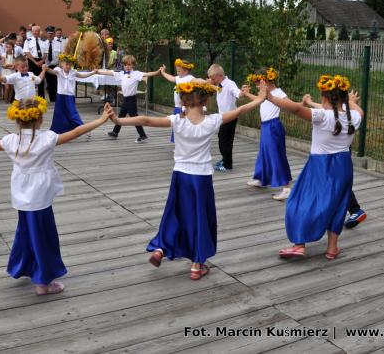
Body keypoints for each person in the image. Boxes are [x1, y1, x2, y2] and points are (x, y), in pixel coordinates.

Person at [0, 97, 115, 294]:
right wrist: (103, 119)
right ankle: (44, 282)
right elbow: (77, 131)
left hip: (22, 195)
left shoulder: (11, 140)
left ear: (18, 120)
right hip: (41, 196)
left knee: (27, 232)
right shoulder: (47, 138)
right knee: (43, 236)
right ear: (39, 120)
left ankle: (25, 266)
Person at [109, 81, 267, 279]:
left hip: (181, 175)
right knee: (201, 218)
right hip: (201, 178)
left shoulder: (177, 121)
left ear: (183, 101)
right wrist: (260, 99)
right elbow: (239, 110)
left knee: (174, 213)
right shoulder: (212, 121)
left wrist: (118, 121)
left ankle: (160, 248)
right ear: (205, 101)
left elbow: (146, 120)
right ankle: (196, 265)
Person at [267, 75, 364, 260]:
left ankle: (299, 244)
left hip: (320, 166)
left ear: (325, 97)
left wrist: (270, 98)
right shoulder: (354, 117)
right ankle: (332, 248)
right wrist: (350, 101)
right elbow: (355, 110)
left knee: (299, 200)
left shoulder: (322, 117)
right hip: (343, 166)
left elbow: (296, 109)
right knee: (338, 205)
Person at [302, 93, 367, 229]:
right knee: (338, 182)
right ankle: (354, 210)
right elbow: (325, 108)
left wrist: (351, 102)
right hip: (340, 152)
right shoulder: (342, 107)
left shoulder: (344, 107)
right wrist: (310, 102)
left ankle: (353, 210)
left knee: (335, 183)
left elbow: (328, 110)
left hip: (335, 153)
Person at [241, 68, 292, 200]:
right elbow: (260, 100)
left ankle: (286, 187)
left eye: (258, 82)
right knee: (263, 154)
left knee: (276, 156)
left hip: (273, 126)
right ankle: (261, 179)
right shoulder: (266, 94)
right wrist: (247, 94)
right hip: (265, 126)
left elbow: (290, 104)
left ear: (266, 81)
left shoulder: (278, 93)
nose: (257, 85)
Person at [97, 56, 163, 143]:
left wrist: (158, 72)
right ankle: (115, 132)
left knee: (134, 117)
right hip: (125, 99)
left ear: (133, 65)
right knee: (121, 116)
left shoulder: (136, 74)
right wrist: (97, 71)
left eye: (129, 65)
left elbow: (148, 74)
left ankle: (142, 135)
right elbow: (110, 72)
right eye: (125, 65)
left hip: (131, 99)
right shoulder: (121, 73)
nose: (127, 66)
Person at [46, 54, 97, 134]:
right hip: (61, 95)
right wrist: (46, 68)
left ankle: (82, 128)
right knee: (59, 113)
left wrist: (93, 72)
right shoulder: (59, 71)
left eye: (70, 65)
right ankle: (58, 130)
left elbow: (83, 76)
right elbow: (51, 71)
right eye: (66, 64)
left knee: (72, 112)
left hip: (69, 96)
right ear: (62, 64)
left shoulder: (73, 72)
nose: (68, 66)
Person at [206, 64, 241, 172]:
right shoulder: (220, 84)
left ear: (220, 75)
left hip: (230, 117)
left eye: (213, 78)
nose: (212, 80)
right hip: (223, 117)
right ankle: (224, 158)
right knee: (221, 139)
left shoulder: (230, 84)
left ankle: (227, 164)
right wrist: (208, 83)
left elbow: (237, 92)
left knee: (226, 141)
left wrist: (242, 93)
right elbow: (216, 88)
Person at [160, 59, 196, 143]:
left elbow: (199, 81)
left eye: (179, 71)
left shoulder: (190, 78)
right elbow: (171, 78)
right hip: (177, 107)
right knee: (177, 126)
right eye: (177, 71)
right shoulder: (178, 78)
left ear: (186, 70)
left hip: (184, 108)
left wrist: (206, 82)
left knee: (183, 126)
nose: (177, 72)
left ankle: (185, 142)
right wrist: (163, 72)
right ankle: (178, 143)